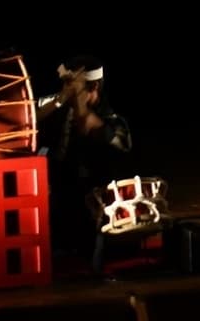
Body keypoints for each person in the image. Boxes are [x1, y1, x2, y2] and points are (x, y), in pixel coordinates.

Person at [34, 54, 133, 266]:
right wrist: (61, 99)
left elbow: (116, 141)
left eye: (75, 87)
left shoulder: (109, 119)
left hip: (92, 193)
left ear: (94, 86)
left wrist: (81, 105)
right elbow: (29, 118)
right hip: (58, 188)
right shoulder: (59, 103)